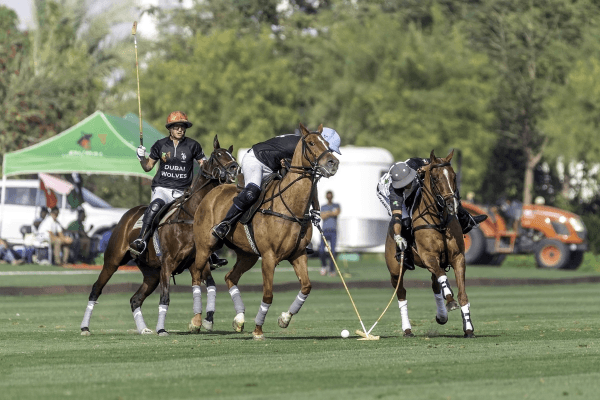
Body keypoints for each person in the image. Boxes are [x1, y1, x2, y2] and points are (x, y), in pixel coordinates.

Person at [131, 111, 227, 267]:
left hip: (183, 192)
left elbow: (204, 165)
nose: (180, 130)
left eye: (182, 126)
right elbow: (148, 167)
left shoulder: (193, 145)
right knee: (154, 207)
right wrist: (141, 157)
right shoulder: (160, 145)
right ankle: (141, 240)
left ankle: (211, 253)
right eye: (176, 127)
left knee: (202, 217)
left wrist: (218, 168)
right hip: (162, 188)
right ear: (170, 128)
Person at [211, 127, 342, 240]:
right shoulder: (301, 147)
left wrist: (316, 210)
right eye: (327, 148)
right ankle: (225, 223)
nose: (327, 154)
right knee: (252, 191)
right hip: (256, 160)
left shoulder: (306, 148)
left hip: (272, 166)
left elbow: (309, 181)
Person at [376, 158, 487, 269]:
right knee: (405, 222)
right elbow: (396, 217)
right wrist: (398, 237)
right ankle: (404, 253)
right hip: (386, 195)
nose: (407, 185)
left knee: (446, 193)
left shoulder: (413, 163)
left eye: (408, 181)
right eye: (404, 183)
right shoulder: (393, 192)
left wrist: (427, 168)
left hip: (415, 184)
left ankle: (466, 218)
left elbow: (436, 164)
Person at [319, 191, 341, 277]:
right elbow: (322, 216)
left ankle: (332, 270)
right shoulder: (323, 206)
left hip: (333, 231)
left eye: (330, 196)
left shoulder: (336, 205)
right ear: (326, 197)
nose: (329, 198)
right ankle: (324, 266)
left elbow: (337, 212)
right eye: (328, 196)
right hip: (324, 230)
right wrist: (331, 212)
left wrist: (327, 213)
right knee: (321, 250)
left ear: (332, 197)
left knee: (333, 251)